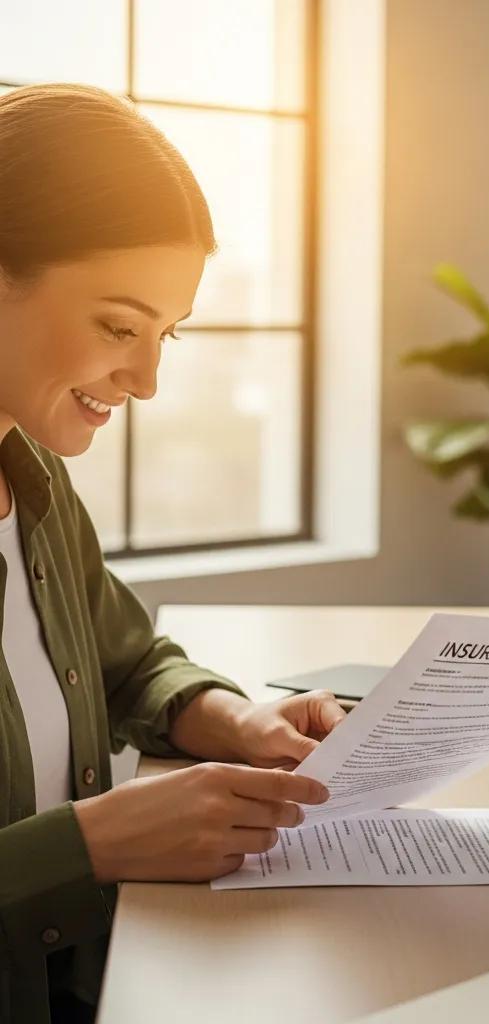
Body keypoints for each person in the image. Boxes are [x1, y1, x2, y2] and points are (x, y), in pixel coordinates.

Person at [0, 84, 346, 1024]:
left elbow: (127, 659)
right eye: (120, 327)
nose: (147, 380)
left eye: (167, 335)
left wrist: (231, 719)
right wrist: (88, 844)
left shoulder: (29, 480)